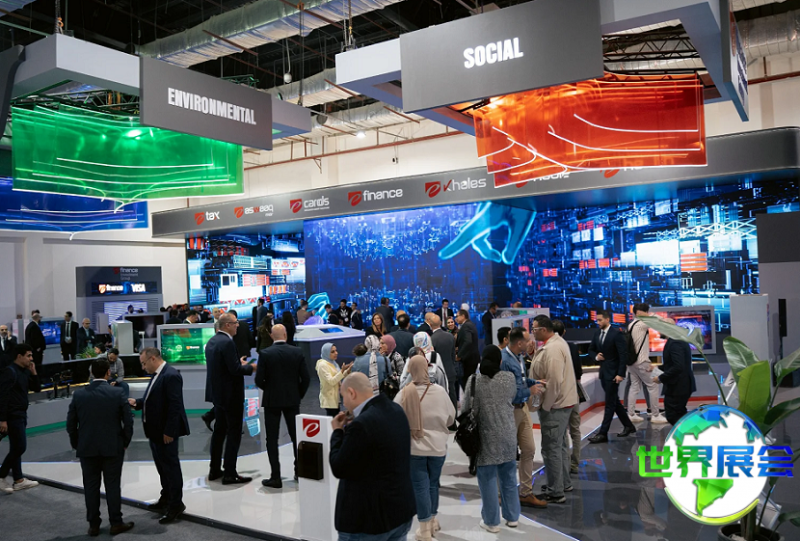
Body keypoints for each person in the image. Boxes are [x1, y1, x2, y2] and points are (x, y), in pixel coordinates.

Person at [330, 373, 416, 541]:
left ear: (352, 393)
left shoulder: (361, 425)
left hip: (369, 523)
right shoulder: (396, 410)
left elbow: (339, 467)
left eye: (343, 396)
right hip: (400, 512)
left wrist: (338, 432)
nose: (344, 403)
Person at [462, 346, 535, 532]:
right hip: (508, 435)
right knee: (509, 477)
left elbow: (466, 408)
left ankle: (491, 521)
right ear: (500, 361)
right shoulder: (508, 379)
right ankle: (512, 517)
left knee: (487, 480)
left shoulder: (474, 381)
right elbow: (512, 397)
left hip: (485, 437)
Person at [67, 358, 134, 536]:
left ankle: (93, 525)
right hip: (113, 447)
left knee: (90, 487)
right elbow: (128, 421)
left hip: (87, 447)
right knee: (112, 486)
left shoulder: (79, 395)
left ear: (91, 373)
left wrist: (77, 444)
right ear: (108, 373)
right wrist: (125, 442)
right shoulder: (117, 393)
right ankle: (116, 523)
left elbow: (71, 424)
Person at [394, 356, 455, 541]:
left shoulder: (404, 393)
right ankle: (433, 521)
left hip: (415, 449)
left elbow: (396, 418)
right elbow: (451, 418)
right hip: (438, 448)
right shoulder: (440, 392)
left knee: (420, 487)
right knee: (433, 484)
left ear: (410, 370)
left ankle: (424, 529)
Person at [128, 348, 190, 524]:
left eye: (144, 363)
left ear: (153, 359)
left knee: (171, 468)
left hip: (165, 433)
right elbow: (153, 400)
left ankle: (176, 504)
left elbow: (175, 405)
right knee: (162, 467)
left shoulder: (171, 375)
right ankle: (166, 498)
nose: (143, 367)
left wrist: (169, 431)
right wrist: (137, 403)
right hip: (155, 432)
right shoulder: (157, 375)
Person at [529, 316, 578, 504]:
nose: (533, 332)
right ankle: (563, 483)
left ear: (543, 329)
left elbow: (554, 382)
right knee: (560, 446)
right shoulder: (555, 344)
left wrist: (546, 405)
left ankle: (555, 491)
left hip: (556, 406)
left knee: (551, 449)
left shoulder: (553, 349)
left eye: (534, 329)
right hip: (562, 404)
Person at [256, 324, 310, 488]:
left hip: (272, 401)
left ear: (272, 336)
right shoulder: (297, 352)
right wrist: (298, 394)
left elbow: (259, 380)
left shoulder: (265, 353)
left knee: (272, 439)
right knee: (296, 437)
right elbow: (306, 378)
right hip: (292, 400)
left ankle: (275, 477)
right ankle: (299, 472)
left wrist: (270, 389)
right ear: (285, 335)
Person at [206, 313, 256, 485]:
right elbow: (235, 370)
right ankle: (229, 473)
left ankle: (214, 469)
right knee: (234, 433)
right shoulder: (227, 342)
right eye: (235, 323)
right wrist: (251, 367)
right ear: (227, 324)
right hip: (231, 396)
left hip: (218, 395)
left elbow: (223, 367)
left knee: (219, 432)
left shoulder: (212, 341)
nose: (238, 326)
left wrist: (237, 363)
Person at [500, 328, 546, 508]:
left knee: (529, 449)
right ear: (519, 343)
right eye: (527, 340)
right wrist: (530, 391)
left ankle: (525, 492)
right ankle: (504, 494)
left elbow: (520, 381)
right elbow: (509, 392)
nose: (530, 343)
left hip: (523, 409)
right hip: (510, 412)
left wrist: (535, 382)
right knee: (507, 455)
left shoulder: (519, 357)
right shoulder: (504, 361)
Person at [587, 311, 636, 444]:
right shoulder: (597, 333)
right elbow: (590, 350)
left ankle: (603, 433)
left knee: (610, 403)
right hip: (604, 373)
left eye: (600, 320)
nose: (598, 322)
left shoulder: (616, 334)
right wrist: (596, 356)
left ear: (607, 319)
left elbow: (623, 355)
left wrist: (620, 374)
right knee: (614, 401)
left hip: (614, 375)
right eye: (597, 320)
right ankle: (629, 426)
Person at [0, 344, 39, 494]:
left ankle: (18, 480)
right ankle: (1, 475)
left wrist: (34, 373)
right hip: (12, 415)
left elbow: (37, 388)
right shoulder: (9, 372)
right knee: (20, 447)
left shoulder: (25, 372)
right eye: (28, 356)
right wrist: (2, 419)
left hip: (21, 414)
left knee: (16, 447)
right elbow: (3, 396)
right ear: (19, 356)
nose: (31, 359)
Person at [626, 304, 668, 424]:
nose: (647, 314)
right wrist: (650, 315)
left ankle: (631, 414)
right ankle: (655, 415)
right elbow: (658, 319)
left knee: (634, 387)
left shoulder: (631, 324)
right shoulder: (641, 323)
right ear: (639, 312)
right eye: (645, 312)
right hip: (642, 362)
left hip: (631, 363)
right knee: (653, 385)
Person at [552, 320, 583, 474]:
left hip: (559, 396)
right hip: (573, 393)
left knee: (562, 431)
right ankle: (574, 463)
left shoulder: (551, 349)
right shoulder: (572, 347)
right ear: (564, 332)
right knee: (575, 430)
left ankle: (564, 463)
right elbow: (578, 371)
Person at [655, 332, 696, 425]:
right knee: (679, 415)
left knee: (673, 415)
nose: (658, 332)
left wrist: (661, 378)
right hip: (679, 385)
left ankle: (687, 433)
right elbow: (672, 364)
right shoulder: (676, 340)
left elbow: (678, 366)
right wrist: (657, 368)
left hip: (678, 386)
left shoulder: (675, 342)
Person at [316, 343, 353, 417]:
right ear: (326, 353)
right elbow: (332, 381)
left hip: (335, 397)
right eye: (332, 352)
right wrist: (342, 371)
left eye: (336, 351)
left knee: (336, 418)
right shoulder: (322, 365)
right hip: (329, 398)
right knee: (332, 419)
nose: (336, 353)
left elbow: (338, 377)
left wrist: (347, 371)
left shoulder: (333, 363)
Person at [429, 314, 458, 408]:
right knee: (452, 396)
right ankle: (454, 416)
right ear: (441, 323)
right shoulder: (450, 336)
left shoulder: (431, 339)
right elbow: (453, 355)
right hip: (450, 370)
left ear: (430, 325)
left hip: (438, 374)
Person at [455, 309, 480, 383]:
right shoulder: (469, 324)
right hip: (472, 358)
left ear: (463, 316)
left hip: (469, 359)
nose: (456, 318)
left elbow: (468, 341)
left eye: (457, 316)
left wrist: (459, 355)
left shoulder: (466, 326)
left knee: (467, 382)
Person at [24, 313, 45, 392]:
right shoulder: (34, 327)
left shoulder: (30, 326)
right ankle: (37, 383)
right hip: (36, 353)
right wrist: (38, 348)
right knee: (36, 367)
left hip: (33, 352)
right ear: (38, 318)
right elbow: (34, 339)